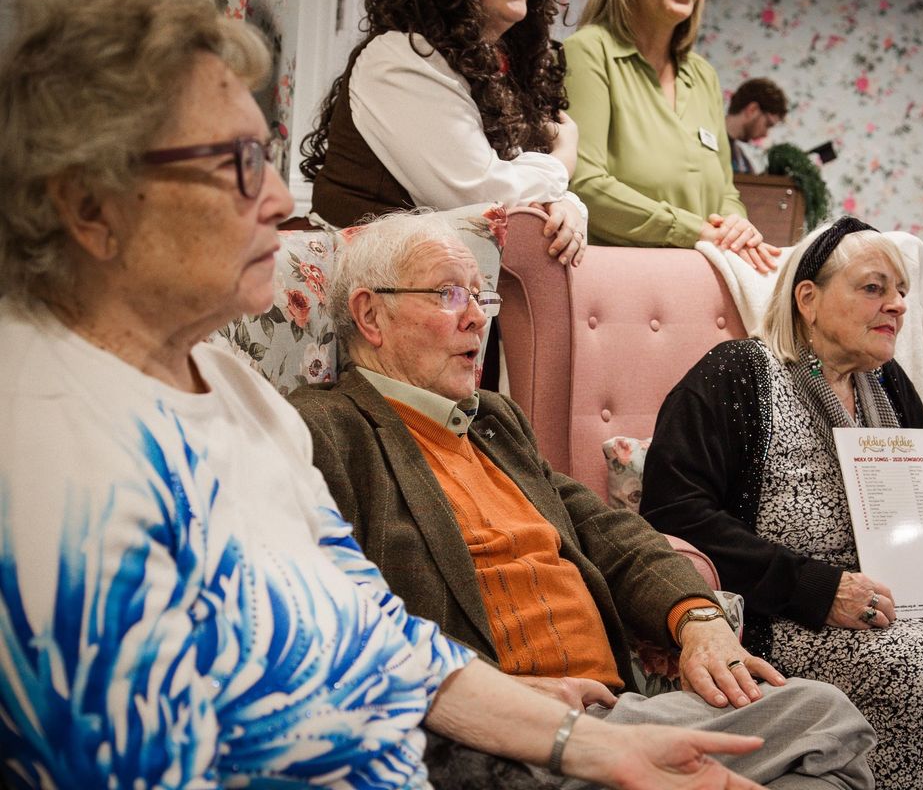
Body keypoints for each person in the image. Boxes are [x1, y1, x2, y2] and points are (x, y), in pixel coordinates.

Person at [0, 0, 792, 787]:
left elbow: (376, 634)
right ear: (90, 207)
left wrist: (580, 742)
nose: (279, 202)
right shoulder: (47, 448)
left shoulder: (233, 386)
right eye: (238, 164)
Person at [287, 210, 880, 790]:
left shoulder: (493, 422)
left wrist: (697, 618)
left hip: (614, 711)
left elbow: (609, 533)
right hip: (503, 736)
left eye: (481, 297)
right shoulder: (326, 432)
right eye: (448, 295)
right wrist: (490, 693)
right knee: (824, 723)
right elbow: (334, 621)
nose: (476, 319)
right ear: (370, 314)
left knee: (822, 738)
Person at [640, 218, 923, 789]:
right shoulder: (737, 373)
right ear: (808, 298)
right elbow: (673, 512)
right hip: (785, 615)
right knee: (921, 675)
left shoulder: (887, 386)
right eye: (874, 288)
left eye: (902, 291)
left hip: (902, 607)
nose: (898, 306)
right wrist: (816, 587)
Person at [301, 0, 586, 266]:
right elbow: (480, 196)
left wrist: (565, 205)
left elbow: (517, 182)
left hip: (436, 283)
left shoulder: (491, 64)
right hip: (364, 287)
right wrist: (562, 160)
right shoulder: (397, 58)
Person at [562, 0, 779, 272]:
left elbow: (727, 192)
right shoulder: (588, 51)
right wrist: (694, 231)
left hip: (703, 280)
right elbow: (583, 186)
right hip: (620, 280)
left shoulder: (704, 75)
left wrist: (735, 226)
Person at [725, 78, 787, 175]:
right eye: (767, 124)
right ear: (752, 109)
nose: (765, 134)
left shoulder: (743, 161)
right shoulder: (703, 136)